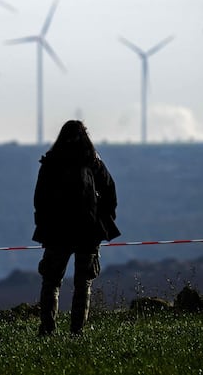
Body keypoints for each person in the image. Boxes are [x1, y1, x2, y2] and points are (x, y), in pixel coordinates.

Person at [32, 120, 120, 335]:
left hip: (57, 232)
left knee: (51, 282)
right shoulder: (93, 162)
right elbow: (110, 191)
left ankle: (48, 330)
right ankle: (77, 331)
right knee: (83, 284)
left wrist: (44, 226)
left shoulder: (51, 162)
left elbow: (40, 199)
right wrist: (103, 220)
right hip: (88, 231)